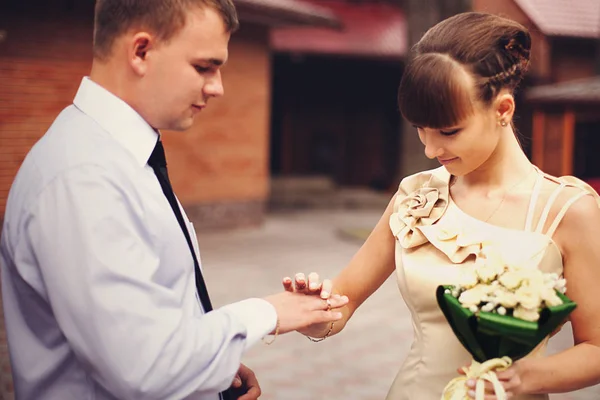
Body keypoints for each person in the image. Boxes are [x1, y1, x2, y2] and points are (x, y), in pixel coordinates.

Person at [0, 1, 348, 399]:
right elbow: (144, 366)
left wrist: (210, 370)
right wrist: (267, 312)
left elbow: (145, 326)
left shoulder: (116, 158)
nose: (218, 87)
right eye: (204, 67)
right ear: (141, 51)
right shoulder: (84, 179)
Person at [285, 12, 600, 400]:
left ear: (503, 109)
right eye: (421, 129)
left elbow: (597, 349)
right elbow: (342, 305)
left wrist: (527, 378)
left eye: (448, 132)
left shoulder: (568, 210)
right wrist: (312, 313)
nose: (431, 150)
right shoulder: (415, 196)